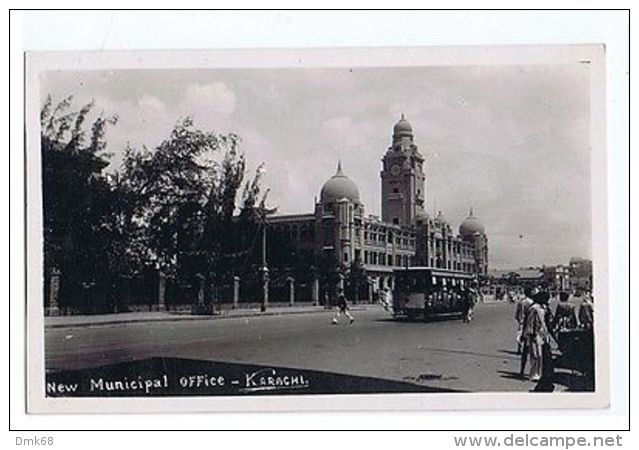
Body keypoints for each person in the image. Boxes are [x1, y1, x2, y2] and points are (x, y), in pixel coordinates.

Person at [515, 288, 535, 356]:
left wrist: (518, 318)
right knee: (527, 334)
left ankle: (519, 348)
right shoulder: (531, 302)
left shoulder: (521, 301)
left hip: (521, 320)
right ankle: (527, 348)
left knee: (520, 333)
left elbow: (517, 311)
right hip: (527, 320)